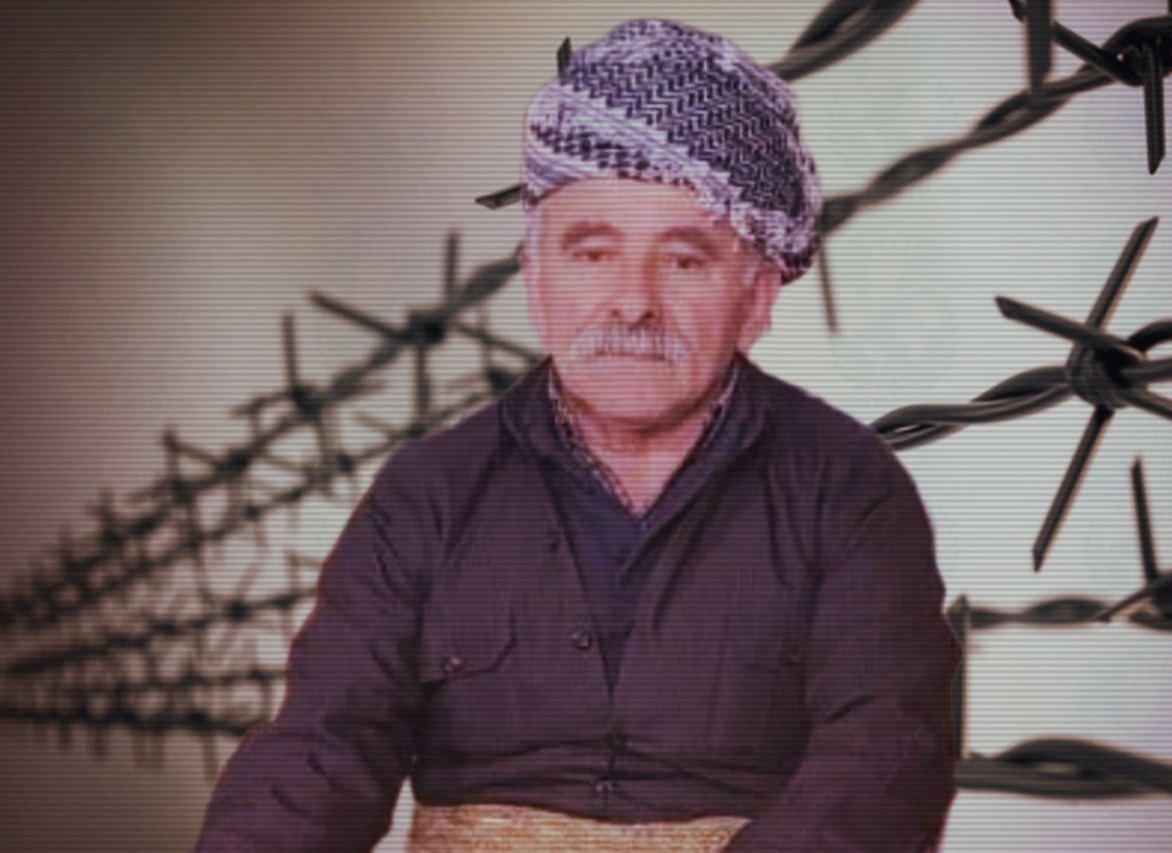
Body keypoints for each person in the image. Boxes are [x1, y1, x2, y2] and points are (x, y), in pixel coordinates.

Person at [194, 17, 960, 852]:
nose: (633, 302)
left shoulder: (848, 491)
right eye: (592, 254)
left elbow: (883, 763)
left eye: (684, 260)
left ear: (757, 297)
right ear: (535, 279)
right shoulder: (427, 496)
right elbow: (322, 752)